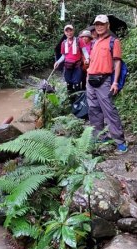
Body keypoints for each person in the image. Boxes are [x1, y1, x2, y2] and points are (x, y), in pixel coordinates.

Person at [86, 14, 128, 153]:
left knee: (109, 111)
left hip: (104, 81)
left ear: (107, 25)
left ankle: (120, 141)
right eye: (97, 24)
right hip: (90, 80)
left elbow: (117, 63)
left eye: (102, 24)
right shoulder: (94, 42)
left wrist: (115, 82)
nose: (99, 26)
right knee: (93, 110)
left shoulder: (113, 41)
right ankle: (99, 136)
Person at [54, 24, 83, 94]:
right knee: (68, 84)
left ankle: (77, 101)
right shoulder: (64, 43)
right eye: (67, 31)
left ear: (73, 31)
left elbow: (84, 51)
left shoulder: (79, 40)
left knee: (77, 84)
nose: (69, 33)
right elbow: (63, 56)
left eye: (70, 31)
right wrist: (57, 62)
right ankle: (70, 100)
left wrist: (88, 59)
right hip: (67, 66)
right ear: (65, 33)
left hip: (77, 66)